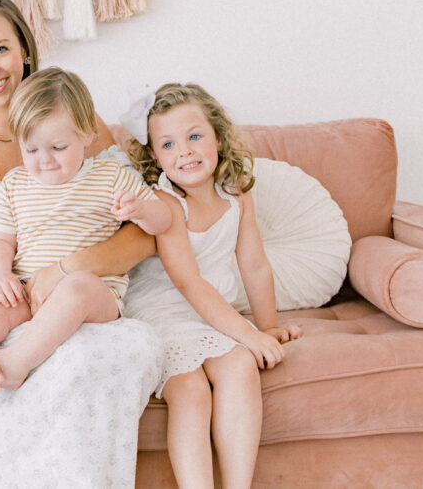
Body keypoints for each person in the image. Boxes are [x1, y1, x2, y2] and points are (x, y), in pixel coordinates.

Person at [0, 0, 161, 488]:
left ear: (24, 47)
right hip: (7, 306)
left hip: (83, 300)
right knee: (0, 363)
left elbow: (143, 237)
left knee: (86, 361)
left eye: (1, 48)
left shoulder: (77, 123)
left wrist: (69, 269)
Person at [122, 83, 303, 489]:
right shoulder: (166, 203)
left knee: (240, 366)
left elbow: (253, 263)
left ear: (218, 137)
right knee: (191, 390)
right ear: (155, 156)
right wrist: (248, 335)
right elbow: (188, 282)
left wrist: (266, 327)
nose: (184, 151)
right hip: (162, 313)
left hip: (213, 312)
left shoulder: (236, 190)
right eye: (168, 144)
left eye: (195, 136)